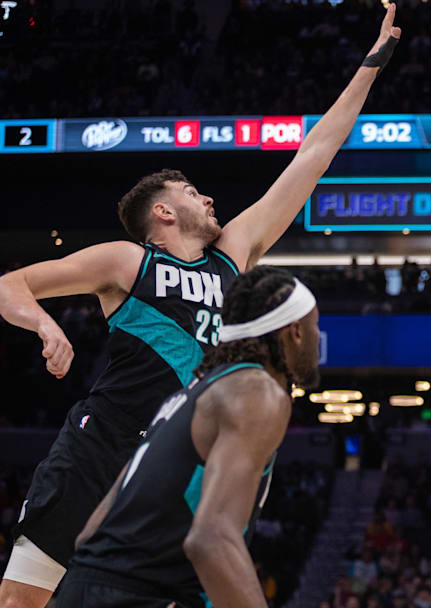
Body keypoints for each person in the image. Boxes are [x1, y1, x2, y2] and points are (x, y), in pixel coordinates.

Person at [0, 6, 401, 605]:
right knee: (22, 600)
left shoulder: (232, 255)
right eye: (191, 192)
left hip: (168, 462)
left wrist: (371, 65)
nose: (209, 198)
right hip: (99, 447)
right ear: (162, 212)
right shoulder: (127, 261)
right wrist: (43, 324)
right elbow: (10, 283)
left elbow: (313, 155)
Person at [56, 266, 321, 607]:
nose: (318, 336)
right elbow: (212, 539)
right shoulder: (257, 391)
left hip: (83, 588)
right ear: (295, 332)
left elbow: (91, 531)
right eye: (315, 325)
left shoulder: (189, 396)